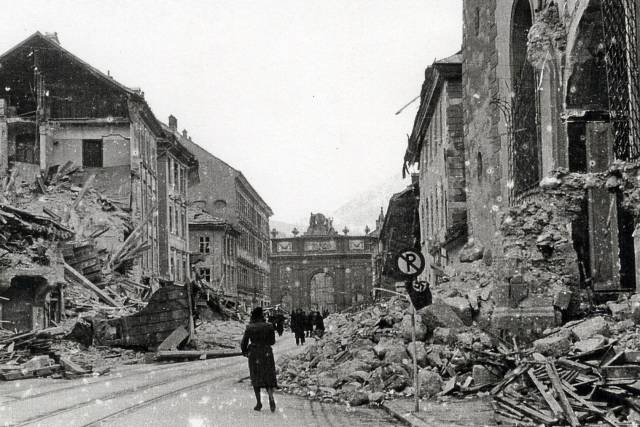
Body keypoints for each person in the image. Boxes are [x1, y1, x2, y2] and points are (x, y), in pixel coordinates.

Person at [240, 307, 277, 412]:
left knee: (256, 377)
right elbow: (272, 341)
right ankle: (271, 397)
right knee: (268, 376)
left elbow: (244, 343)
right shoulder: (269, 326)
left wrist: (245, 352)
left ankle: (259, 403)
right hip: (267, 353)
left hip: (255, 353)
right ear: (262, 316)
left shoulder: (249, 327)